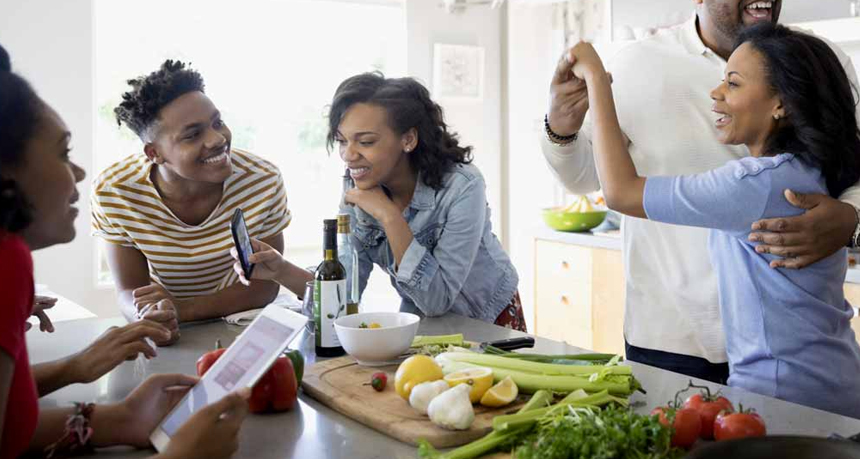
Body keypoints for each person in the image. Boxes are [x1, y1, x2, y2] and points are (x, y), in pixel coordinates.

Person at [541, 0, 860, 382]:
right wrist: (561, 127)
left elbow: (853, 156)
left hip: (789, 345)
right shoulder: (637, 64)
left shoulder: (820, 61)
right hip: (671, 336)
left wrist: (851, 218)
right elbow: (585, 179)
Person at [567, 23, 860, 417]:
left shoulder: (753, 186)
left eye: (733, 84)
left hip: (779, 398)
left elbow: (620, 191)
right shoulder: (813, 169)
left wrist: (597, 80)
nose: (716, 93)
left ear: (781, 105)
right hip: (838, 382)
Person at [0, 43, 248, 459]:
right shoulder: (7, 263)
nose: (78, 172)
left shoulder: (10, 260)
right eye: (63, 153)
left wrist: (117, 416)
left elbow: (8, 425)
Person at [235, 72, 526, 330]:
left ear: (408, 139)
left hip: (487, 317)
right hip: (424, 319)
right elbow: (346, 290)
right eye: (342, 140)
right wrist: (281, 270)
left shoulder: (463, 186)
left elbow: (437, 298)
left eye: (365, 142)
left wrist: (389, 215)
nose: (349, 155)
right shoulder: (358, 185)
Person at [91, 59, 312, 344]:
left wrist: (181, 310)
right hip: (174, 335)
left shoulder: (261, 179)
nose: (218, 138)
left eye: (217, 122)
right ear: (154, 153)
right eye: (193, 134)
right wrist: (149, 318)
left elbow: (263, 286)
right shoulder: (115, 191)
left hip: (244, 326)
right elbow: (129, 291)